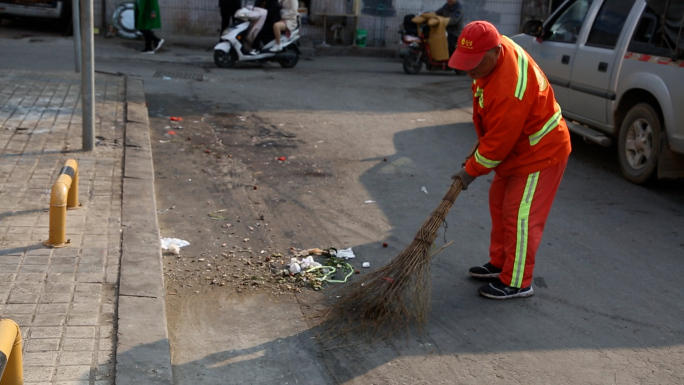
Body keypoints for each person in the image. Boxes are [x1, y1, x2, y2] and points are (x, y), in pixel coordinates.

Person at [448, 21, 572, 300]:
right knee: (500, 205)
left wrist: (469, 172)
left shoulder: (510, 89)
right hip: (517, 148)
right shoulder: (497, 46)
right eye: (465, 61)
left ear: (494, 52)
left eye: (475, 63)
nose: (469, 69)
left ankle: (517, 281)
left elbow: (496, 147)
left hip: (540, 153)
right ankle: (501, 264)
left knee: (520, 216)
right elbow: (496, 138)